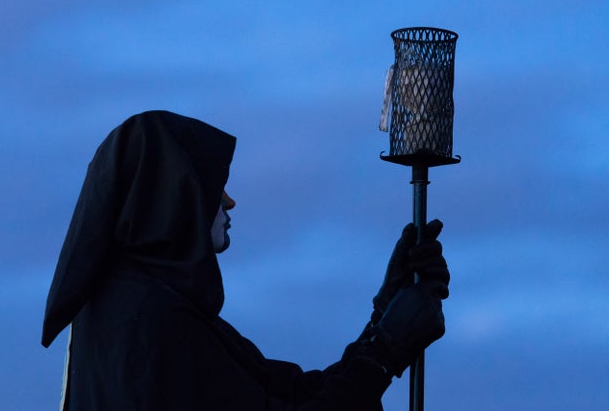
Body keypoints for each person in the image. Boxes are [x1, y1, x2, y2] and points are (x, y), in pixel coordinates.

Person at [42, 110, 450, 411]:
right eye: (214, 185)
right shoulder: (150, 326)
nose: (229, 200)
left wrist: (383, 316)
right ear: (171, 198)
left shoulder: (140, 310)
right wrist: (386, 351)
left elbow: (289, 395)